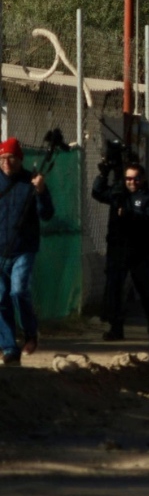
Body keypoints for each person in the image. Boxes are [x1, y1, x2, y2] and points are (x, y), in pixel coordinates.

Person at [93, 161, 149, 342]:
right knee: (114, 288)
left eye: (136, 178)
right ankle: (116, 328)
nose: (132, 182)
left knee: (143, 287)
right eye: (128, 178)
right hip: (118, 249)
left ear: (143, 178)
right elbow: (98, 193)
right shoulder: (119, 195)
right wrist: (103, 175)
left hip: (139, 250)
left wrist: (129, 215)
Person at [0, 138, 55, 366]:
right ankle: (9, 348)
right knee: (0, 298)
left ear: (20, 159)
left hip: (24, 249)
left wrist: (41, 192)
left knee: (18, 291)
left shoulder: (31, 182)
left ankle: (30, 332)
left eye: (11, 158)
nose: (6, 163)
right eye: (2, 158)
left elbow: (47, 214)